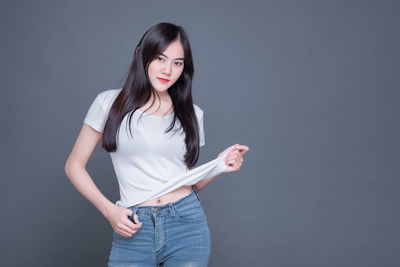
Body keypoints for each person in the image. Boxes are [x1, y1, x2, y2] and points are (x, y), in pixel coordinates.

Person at [64, 22, 249, 267]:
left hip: (187, 225)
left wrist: (219, 165)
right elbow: (74, 165)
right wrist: (110, 211)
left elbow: (185, 182)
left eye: (177, 63)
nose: (168, 70)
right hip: (134, 225)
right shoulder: (108, 103)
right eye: (160, 58)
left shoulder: (192, 114)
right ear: (141, 54)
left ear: (184, 68)